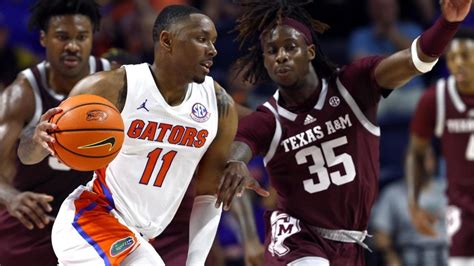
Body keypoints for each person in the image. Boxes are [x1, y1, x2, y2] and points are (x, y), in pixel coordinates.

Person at [216, 0, 471, 265]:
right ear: (266, 62)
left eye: (290, 47)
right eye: (272, 51)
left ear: (310, 51)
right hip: (296, 238)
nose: (281, 55)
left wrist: (448, 23)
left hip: (349, 241)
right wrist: (236, 162)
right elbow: (242, 144)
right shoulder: (269, 119)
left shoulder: (353, 85)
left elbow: (415, 60)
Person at [18, 4, 237, 265]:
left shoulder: (219, 104)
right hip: (92, 217)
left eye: (213, 41)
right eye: (201, 39)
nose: (213, 50)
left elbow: (209, 193)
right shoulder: (114, 86)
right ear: (167, 40)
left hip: (138, 235)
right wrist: (37, 139)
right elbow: (27, 155)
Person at [0, 1, 108, 265]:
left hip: (95, 222)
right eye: (62, 37)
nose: (72, 45)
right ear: (43, 38)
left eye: (81, 37)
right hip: (36, 218)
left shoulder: (115, 80)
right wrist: (11, 197)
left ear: (92, 38)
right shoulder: (22, 93)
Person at [407, 28, 474, 266]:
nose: (458, 64)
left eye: (465, 56)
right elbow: (416, 152)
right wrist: (414, 203)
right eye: (453, 57)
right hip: (461, 207)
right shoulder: (435, 97)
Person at [372, 149, 448, 266]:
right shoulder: (392, 194)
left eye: (426, 158)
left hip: (449, 257)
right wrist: (391, 258)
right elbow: (380, 233)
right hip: (409, 258)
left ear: (435, 162)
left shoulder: (450, 190)